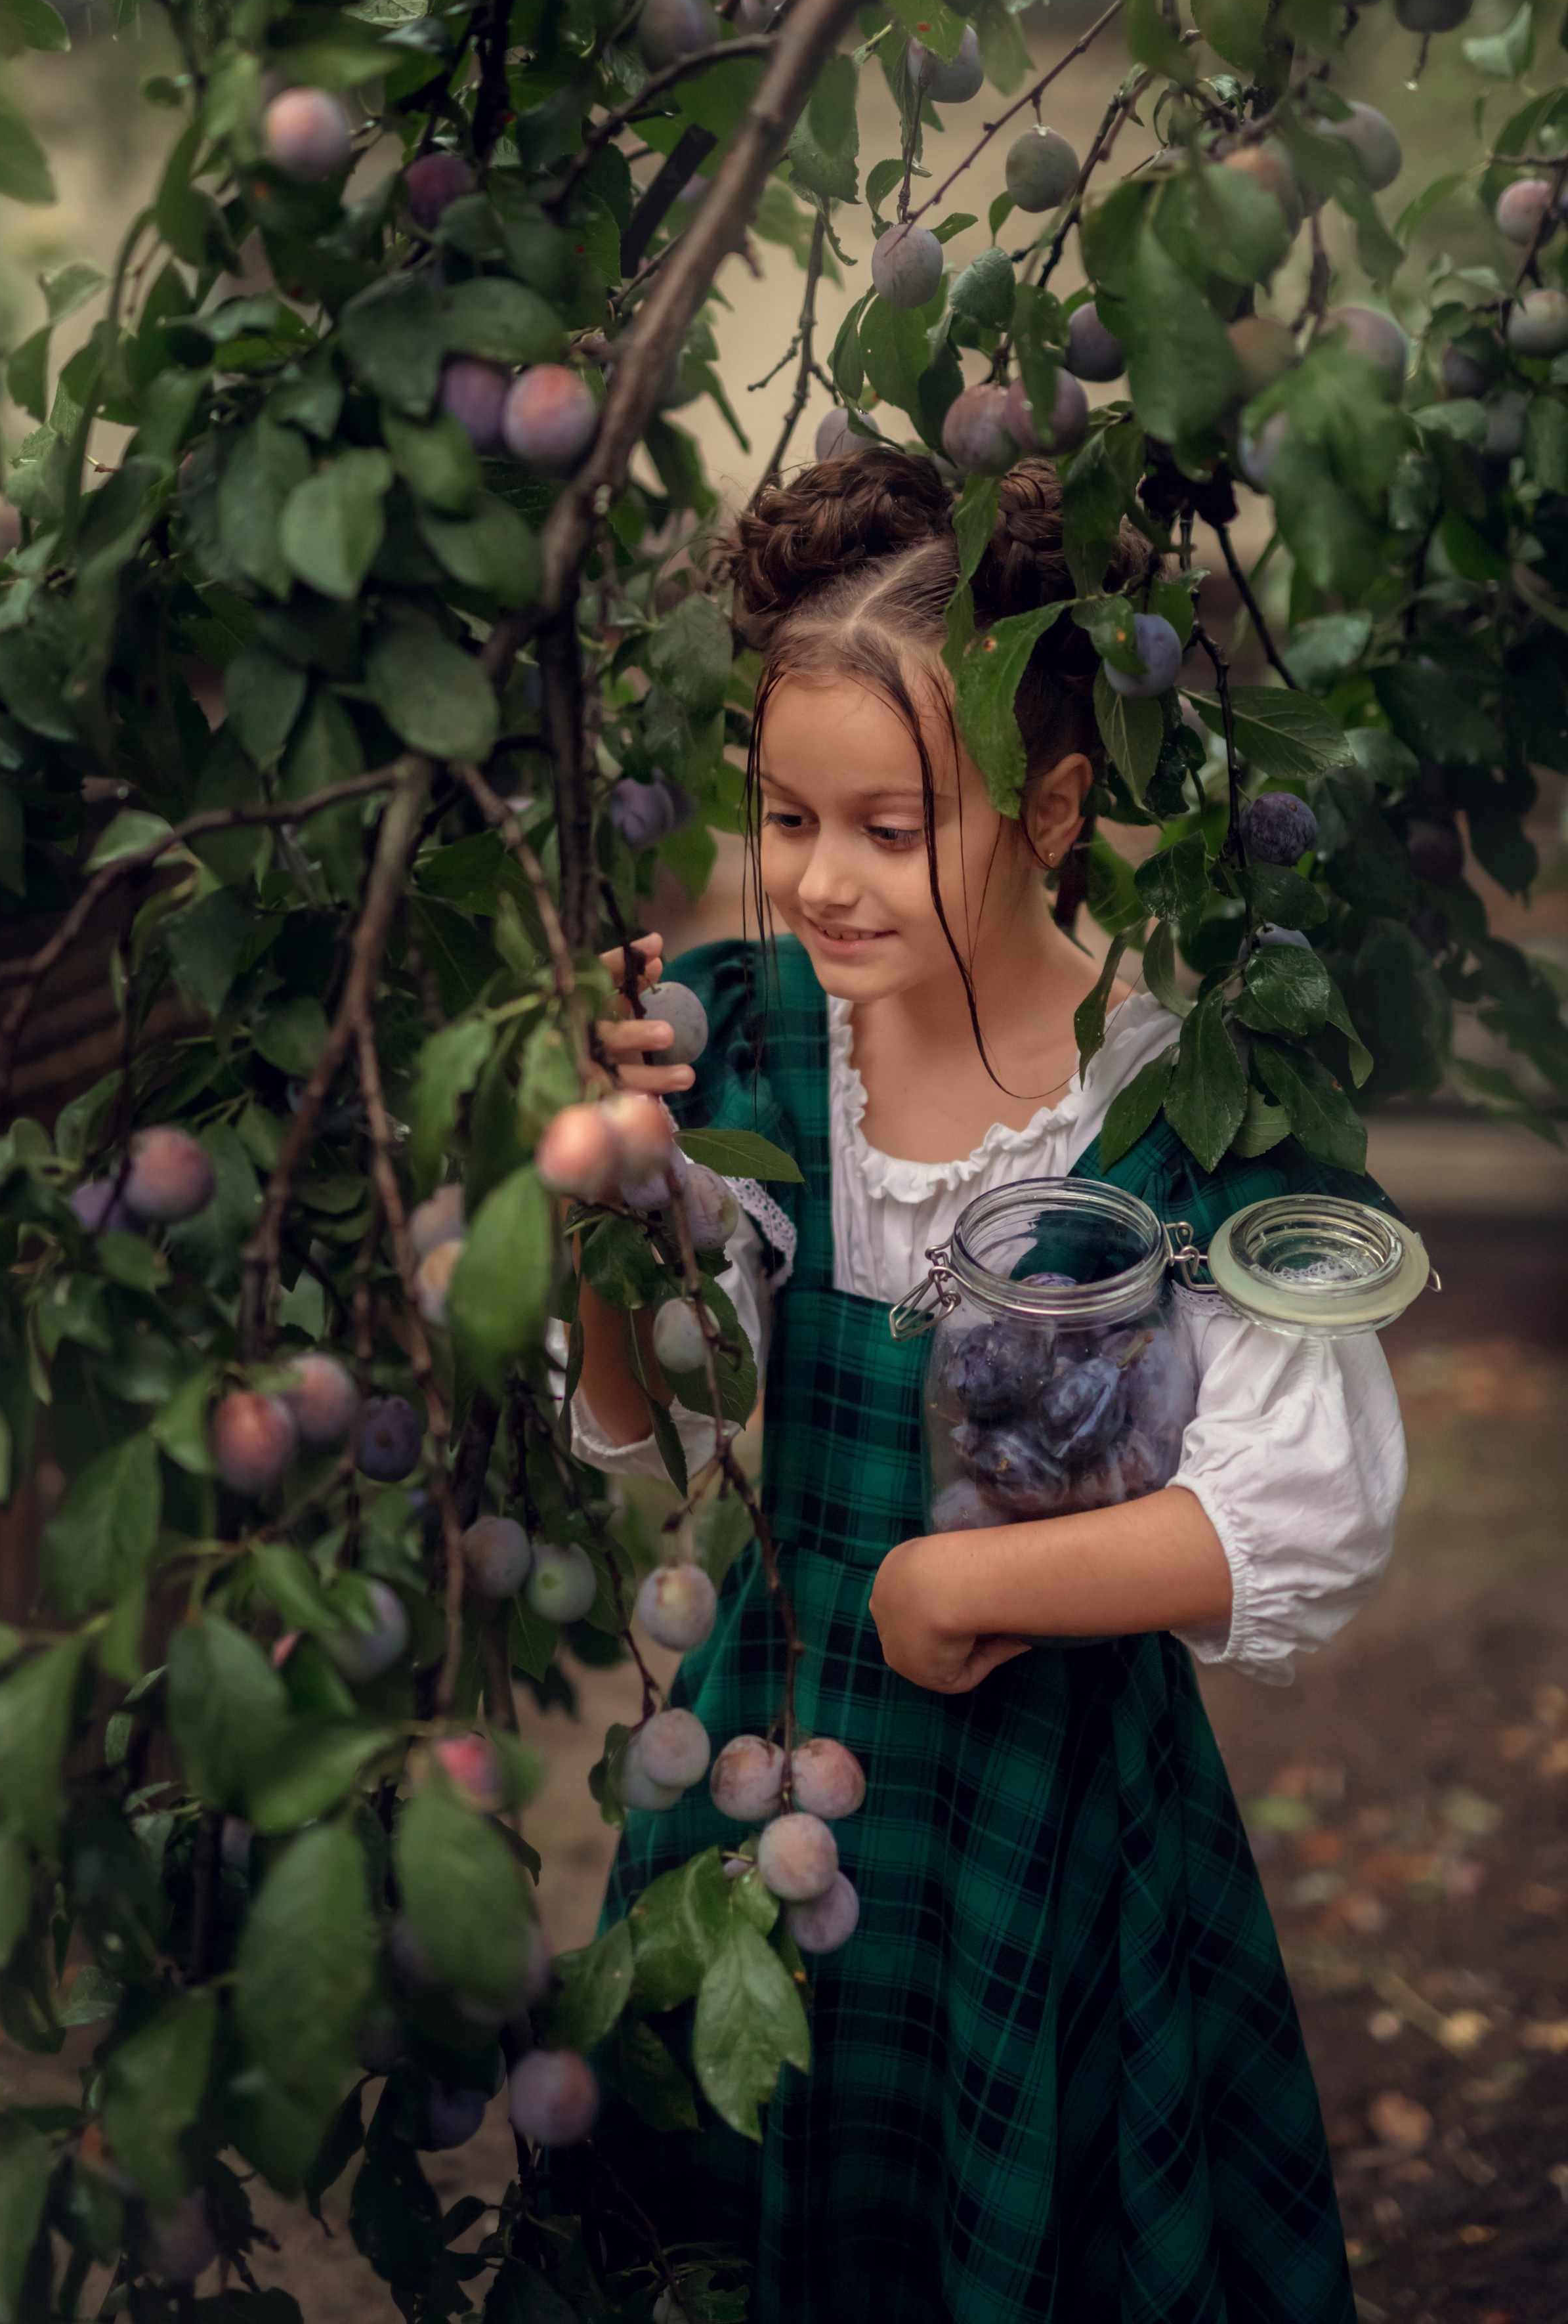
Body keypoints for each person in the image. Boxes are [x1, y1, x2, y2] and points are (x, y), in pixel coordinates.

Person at [570, 450, 1405, 2323]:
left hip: (1050, 1833)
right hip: (763, 1789)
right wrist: (605, 1201)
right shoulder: (753, 1046)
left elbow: (1307, 1508)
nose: (822, 880)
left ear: (1048, 811)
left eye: (892, 825)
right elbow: (651, 1425)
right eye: (788, 820)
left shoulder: (1186, 1097)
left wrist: (964, 1580)